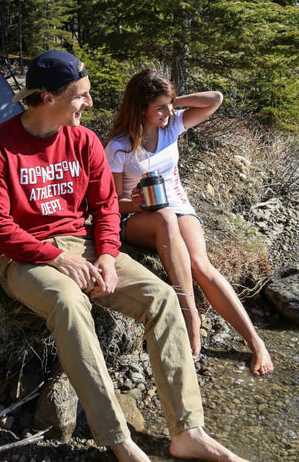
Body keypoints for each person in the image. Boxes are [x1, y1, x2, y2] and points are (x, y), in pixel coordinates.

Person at [0, 50, 250, 462]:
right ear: (47, 98)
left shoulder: (83, 140)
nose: (88, 103)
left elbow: (106, 208)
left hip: (83, 244)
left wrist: (106, 255)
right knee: (68, 303)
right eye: (81, 95)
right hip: (23, 257)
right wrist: (56, 258)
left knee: (161, 297)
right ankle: (118, 439)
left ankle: (188, 431)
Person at [105, 70, 274, 376]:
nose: (168, 113)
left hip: (180, 208)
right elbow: (112, 201)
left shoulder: (171, 127)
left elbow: (215, 100)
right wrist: (137, 203)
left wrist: (170, 102)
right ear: (140, 108)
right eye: (159, 108)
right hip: (137, 216)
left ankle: (255, 341)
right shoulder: (119, 146)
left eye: (168, 106)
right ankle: (190, 314)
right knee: (165, 216)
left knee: (201, 263)